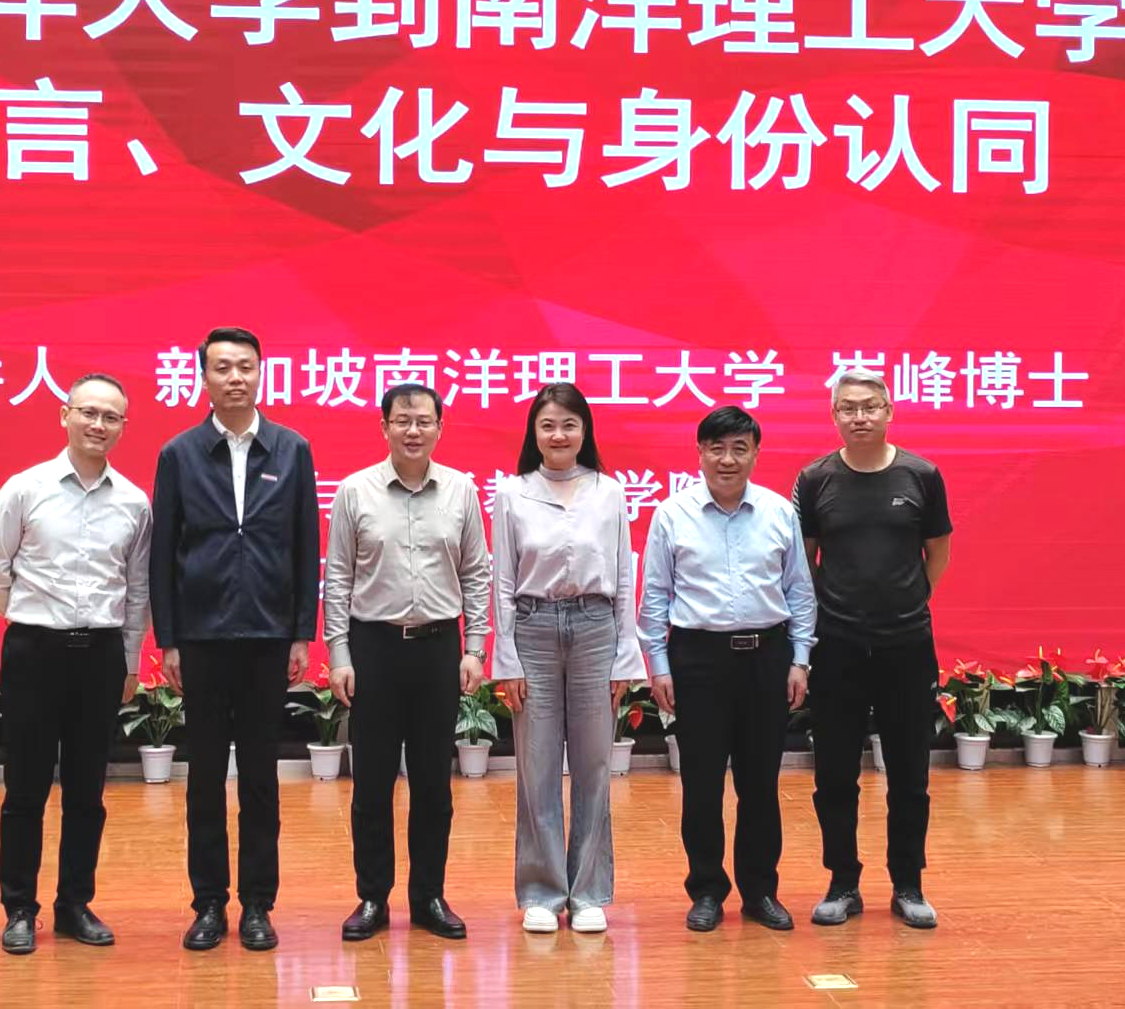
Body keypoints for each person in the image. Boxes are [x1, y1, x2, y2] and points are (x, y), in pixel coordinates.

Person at [149, 327, 320, 953]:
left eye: (245, 366)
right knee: (203, 779)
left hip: (268, 637)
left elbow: (306, 545)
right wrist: (169, 639)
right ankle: (208, 904)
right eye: (222, 367)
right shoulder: (180, 454)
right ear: (204, 377)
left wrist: (301, 632)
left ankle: (257, 904)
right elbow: (163, 553)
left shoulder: (292, 449)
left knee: (260, 778)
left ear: (260, 372)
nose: (235, 377)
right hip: (201, 637)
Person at [0, 372, 151, 956]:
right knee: (25, 788)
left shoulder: (134, 502)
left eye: (111, 417)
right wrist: (28, 615)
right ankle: (19, 908)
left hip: (100, 656)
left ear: (123, 427)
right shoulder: (25, 488)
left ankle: (75, 903)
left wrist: (129, 660)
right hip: (34, 652)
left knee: (87, 791)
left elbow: (137, 590)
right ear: (65, 415)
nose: (98, 424)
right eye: (88, 412)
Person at [323, 383, 491, 942]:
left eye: (423, 421)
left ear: (440, 428)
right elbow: (338, 576)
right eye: (402, 421)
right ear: (384, 427)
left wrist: (474, 648)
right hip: (374, 648)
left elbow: (476, 574)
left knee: (433, 784)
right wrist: (340, 653)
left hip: (438, 649)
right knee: (372, 784)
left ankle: (429, 897)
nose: (413, 430)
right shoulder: (355, 491)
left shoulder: (461, 490)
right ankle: (372, 897)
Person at [639, 405, 815, 933]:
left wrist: (800, 659)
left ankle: (760, 891)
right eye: (716, 448)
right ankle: (707, 890)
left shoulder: (779, 512)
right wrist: (659, 665)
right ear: (700, 454)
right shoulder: (672, 514)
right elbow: (655, 596)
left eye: (740, 448)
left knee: (760, 784)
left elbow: (799, 593)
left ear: (756, 454)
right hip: (698, 659)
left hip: (767, 657)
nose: (728, 459)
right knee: (701, 783)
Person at [794, 368, 952, 931]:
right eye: (847, 408)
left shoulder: (921, 475)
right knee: (835, 775)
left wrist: (908, 602)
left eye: (869, 406)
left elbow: (937, 551)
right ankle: (843, 882)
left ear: (889, 411)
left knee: (910, 774)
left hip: (906, 646)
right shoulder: (815, 479)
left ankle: (909, 885)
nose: (859, 417)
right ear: (834, 416)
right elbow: (804, 560)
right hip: (836, 647)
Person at [492, 383, 644, 934]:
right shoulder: (513, 493)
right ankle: (542, 892)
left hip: (595, 629)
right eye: (548, 425)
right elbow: (503, 579)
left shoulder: (610, 490)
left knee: (594, 765)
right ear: (533, 433)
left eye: (569, 424)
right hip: (533, 628)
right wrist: (506, 659)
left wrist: (626, 658)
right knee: (536, 767)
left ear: (585, 431)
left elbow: (624, 576)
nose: (559, 435)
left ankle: (588, 893)